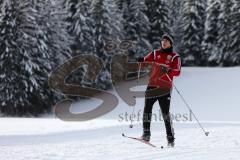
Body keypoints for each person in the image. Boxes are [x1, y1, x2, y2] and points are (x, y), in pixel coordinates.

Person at [137, 34, 181, 147]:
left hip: (165, 88)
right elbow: (146, 60)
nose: (164, 43)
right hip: (152, 85)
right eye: (162, 41)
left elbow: (177, 71)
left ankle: (170, 139)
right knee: (147, 110)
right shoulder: (155, 53)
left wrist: (168, 70)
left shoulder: (175, 57)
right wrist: (141, 60)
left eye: (166, 41)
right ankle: (146, 134)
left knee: (165, 113)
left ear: (170, 44)